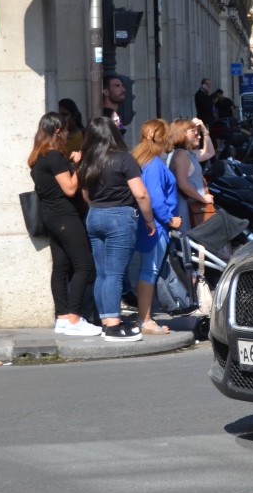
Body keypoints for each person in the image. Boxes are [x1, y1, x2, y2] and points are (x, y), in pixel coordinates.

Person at [78, 116, 155, 342]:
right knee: (114, 274)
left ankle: (105, 321)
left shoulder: (86, 161)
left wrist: (98, 208)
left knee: (102, 273)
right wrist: (149, 220)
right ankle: (113, 326)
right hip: (120, 216)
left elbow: (85, 195)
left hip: (94, 215)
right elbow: (141, 193)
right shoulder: (123, 159)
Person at [28, 112, 100, 337]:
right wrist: (78, 166)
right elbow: (69, 188)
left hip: (52, 217)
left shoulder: (39, 157)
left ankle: (62, 317)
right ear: (58, 131)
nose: (69, 134)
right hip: (65, 216)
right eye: (66, 130)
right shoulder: (54, 156)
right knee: (84, 265)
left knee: (61, 267)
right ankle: (74, 317)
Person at [129, 120, 181, 335]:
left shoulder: (140, 159)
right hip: (155, 225)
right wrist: (170, 220)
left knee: (143, 270)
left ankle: (143, 317)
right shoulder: (154, 163)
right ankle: (145, 319)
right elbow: (156, 199)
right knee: (149, 271)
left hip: (143, 222)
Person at [169, 118, 215, 227]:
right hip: (187, 209)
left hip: (193, 208)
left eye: (197, 132)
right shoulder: (181, 155)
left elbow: (209, 152)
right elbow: (183, 183)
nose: (197, 135)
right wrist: (203, 198)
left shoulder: (188, 154)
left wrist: (205, 131)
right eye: (193, 131)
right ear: (182, 133)